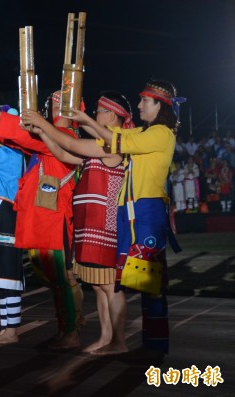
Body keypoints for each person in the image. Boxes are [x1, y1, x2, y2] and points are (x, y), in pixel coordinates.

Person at [67, 79, 185, 357]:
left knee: (150, 285)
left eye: (145, 101)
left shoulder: (161, 133)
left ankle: (153, 347)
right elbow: (112, 139)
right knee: (140, 283)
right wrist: (84, 121)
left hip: (146, 212)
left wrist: (85, 119)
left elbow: (118, 140)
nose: (140, 105)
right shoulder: (148, 132)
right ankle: (148, 345)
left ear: (160, 105)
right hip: (131, 213)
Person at [21, 90, 133, 354]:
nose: (96, 115)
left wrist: (42, 122)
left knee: (110, 286)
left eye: (99, 111)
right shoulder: (98, 145)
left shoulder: (113, 144)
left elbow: (71, 146)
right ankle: (107, 337)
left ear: (113, 116)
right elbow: (64, 155)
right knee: (98, 284)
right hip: (89, 224)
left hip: (105, 224)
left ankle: (120, 341)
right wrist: (43, 131)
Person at [0, 93, 83, 350]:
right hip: (42, 220)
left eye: (62, 103)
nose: (55, 106)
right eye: (54, 101)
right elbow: (22, 141)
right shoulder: (47, 137)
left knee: (63, 278)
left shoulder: (69, 139)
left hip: (55, 221)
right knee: (54, 279)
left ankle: (72, 331)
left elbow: (25, 138)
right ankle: (64, 328)